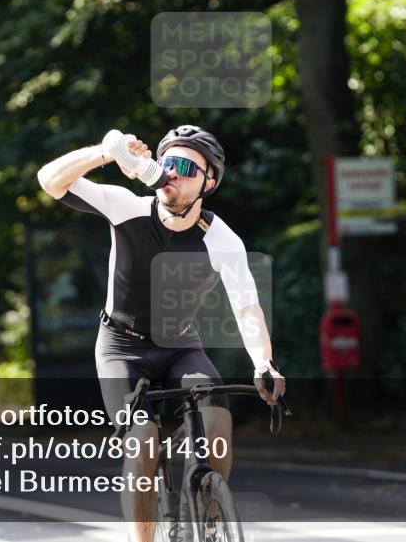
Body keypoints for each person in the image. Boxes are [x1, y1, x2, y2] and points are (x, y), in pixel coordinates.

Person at [37, 125, 285, 542]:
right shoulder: (127, 207)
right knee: (143, 439)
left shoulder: (221, 239)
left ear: (210, 181)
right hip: (121, 346)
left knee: (218, 421)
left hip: (179, 346)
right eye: (168, 161)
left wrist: (264, 362)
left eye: (187, 166)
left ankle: (210, 517)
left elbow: (247, 308)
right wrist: (105, 151)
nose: (173, 172)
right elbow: (50, 181)